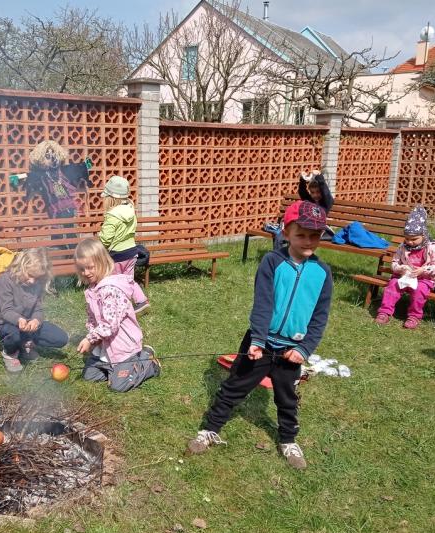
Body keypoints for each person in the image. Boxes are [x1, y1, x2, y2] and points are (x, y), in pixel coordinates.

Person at [188, 201, 332, 470]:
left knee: (287, 397)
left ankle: (288, 439)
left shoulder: (323, 273)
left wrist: (304, 349)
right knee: (235, 387)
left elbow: (320, 317)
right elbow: (263, 304)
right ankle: (210, 429)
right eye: (301, 234)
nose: (308, 241)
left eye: (314, 235)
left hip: (292, 349)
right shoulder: (272, 262)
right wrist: (257, 340)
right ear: (286, 232)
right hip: (261, 344)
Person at [74, 238, 160, 392]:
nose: (86, 273)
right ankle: (115, 369)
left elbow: (110, 325)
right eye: (81, 269)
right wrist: (93, 338)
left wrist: (90, 338)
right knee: (89, 376)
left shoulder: (110, 290)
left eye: (90, 267)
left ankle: (147, 362)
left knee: (118, 387)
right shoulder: (92, 290)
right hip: (105, 347)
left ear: (102, 262)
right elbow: (93, 319)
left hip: (122, 347)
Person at [0, 248, 69, 372]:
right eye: (30, 275)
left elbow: (38, 309)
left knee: (61, 338)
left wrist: (36, 320)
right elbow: (6, 310)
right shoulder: (5, 281)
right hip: (7, 325)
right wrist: (19, 319)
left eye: (37, 278)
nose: (32, 281)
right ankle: (10, 353)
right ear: (21, 266)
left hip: (27, 325)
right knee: (13, 335)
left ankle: (25, 344)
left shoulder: (36, 283)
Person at [375, 206, 435, 329]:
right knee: (393, 285)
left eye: (414, 239)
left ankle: (414, 316)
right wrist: (400, 268)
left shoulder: (432, 248)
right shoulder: (402, 247)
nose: (410, 242)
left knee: (419, 290)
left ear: (423, 235)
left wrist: (423, 270)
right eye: (407, 239)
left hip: (424, 279)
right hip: (404, 277)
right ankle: (384, 312)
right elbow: (394, 262)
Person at [98, 175, 149, 313]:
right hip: (132, 252)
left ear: (111, 198)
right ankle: (141, 300)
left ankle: (113, 307)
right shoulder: (131, 209)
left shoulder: (112, 215)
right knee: (128, 280)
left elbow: (106, 239)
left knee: (111, 282)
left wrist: (98, 242)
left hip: (116, 255)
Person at [268, 169, 335, 249]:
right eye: (312, 192)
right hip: (305, 226)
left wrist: (319, 177)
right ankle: (280, 255)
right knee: (280, 236)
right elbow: (302, 191)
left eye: (318, 192)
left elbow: (326, 193)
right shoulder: (310, 201)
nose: (315, 195)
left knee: (296, 236)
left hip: (317, 228)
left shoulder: (326, 203)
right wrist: (302, 179)